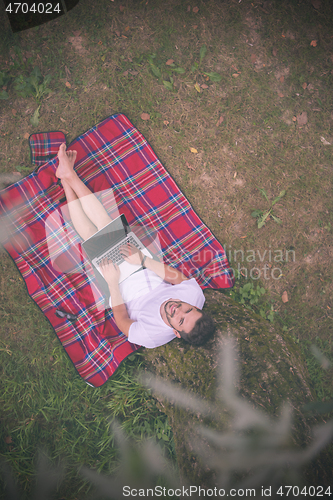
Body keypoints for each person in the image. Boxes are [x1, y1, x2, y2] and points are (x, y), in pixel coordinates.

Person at [56, 143, 216, 348]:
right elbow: (176, 277)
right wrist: (143, 260)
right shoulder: (195, 297)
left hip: (118, 287)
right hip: (142, 266)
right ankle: (68, 176)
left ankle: (67, 179)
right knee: (106, 225)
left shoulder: (150, 337)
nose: (179, 309)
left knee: (89, 235)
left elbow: (122, 321)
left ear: (176, 332)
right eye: (188, 310)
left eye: (181, 320)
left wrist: (112, 282)